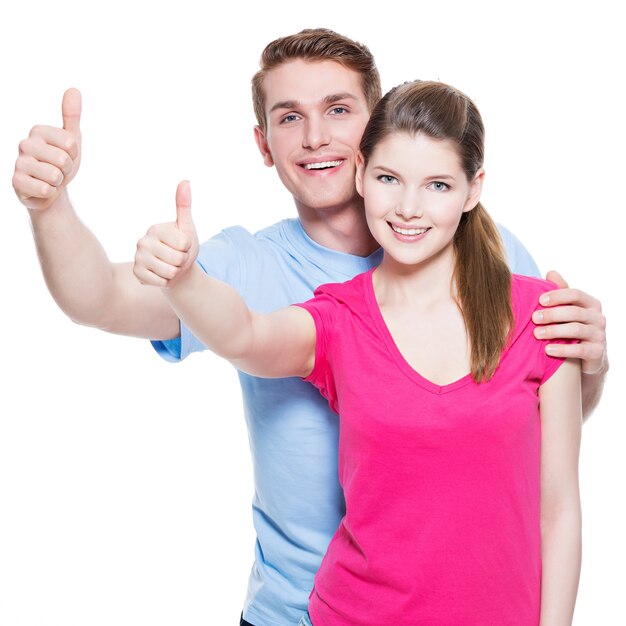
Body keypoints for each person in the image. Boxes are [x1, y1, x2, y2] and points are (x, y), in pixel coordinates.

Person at [12, 29, 604, 626]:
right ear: (264, 144)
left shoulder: (490, 262)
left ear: (372, 130)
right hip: (300, 612)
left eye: (338, 110)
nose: (316, 136)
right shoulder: (257, 271)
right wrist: (50, 205)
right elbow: (101, 299)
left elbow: (528, 434)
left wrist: (592, 363)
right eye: (289, 117)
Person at [133, 79, 583, 625]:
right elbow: (246, 336)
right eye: (390, 178)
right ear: (362, 174)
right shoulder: (339, 319)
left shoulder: (540, 316)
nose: (410, 208)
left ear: (472, 189)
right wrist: (184, 281)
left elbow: (558, 510)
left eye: (438, 185)